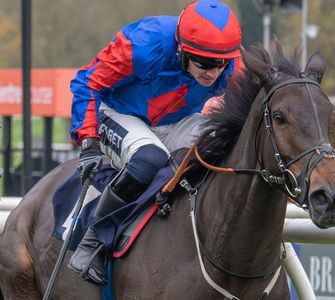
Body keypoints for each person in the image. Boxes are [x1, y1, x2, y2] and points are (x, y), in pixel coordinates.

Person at [67, 0, 243, 285]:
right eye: (203, 63)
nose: (212, 73)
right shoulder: (142, 43)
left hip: (176, 121)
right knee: (150, 158)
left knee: (223, 145)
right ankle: (93, 240)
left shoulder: (231, 65)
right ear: (182, 50)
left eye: (220, 64)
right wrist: (89, 141)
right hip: (118, 112)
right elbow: (87, 82)